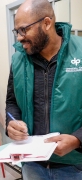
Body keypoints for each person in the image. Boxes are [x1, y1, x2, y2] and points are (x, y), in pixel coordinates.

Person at [5, 0, 82, 179]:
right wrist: (12, 121)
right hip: (32, 164)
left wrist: (78, 139)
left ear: (47, 23)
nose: (19, 37)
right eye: (17, 31)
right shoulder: (18, 60)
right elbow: (12, 102)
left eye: (24, 29)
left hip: (75, 165)